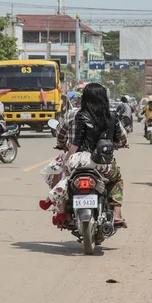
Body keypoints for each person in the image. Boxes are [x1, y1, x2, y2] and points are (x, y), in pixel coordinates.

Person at [64, 83, 127, 227]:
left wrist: (67, 159)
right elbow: (121, 137)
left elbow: (76, 143)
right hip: (104, 165)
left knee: (67, 181)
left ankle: (67, 214)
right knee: (117, 180)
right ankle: (117, 214)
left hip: (83, 162)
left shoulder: (82, 115)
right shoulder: (112, 116)